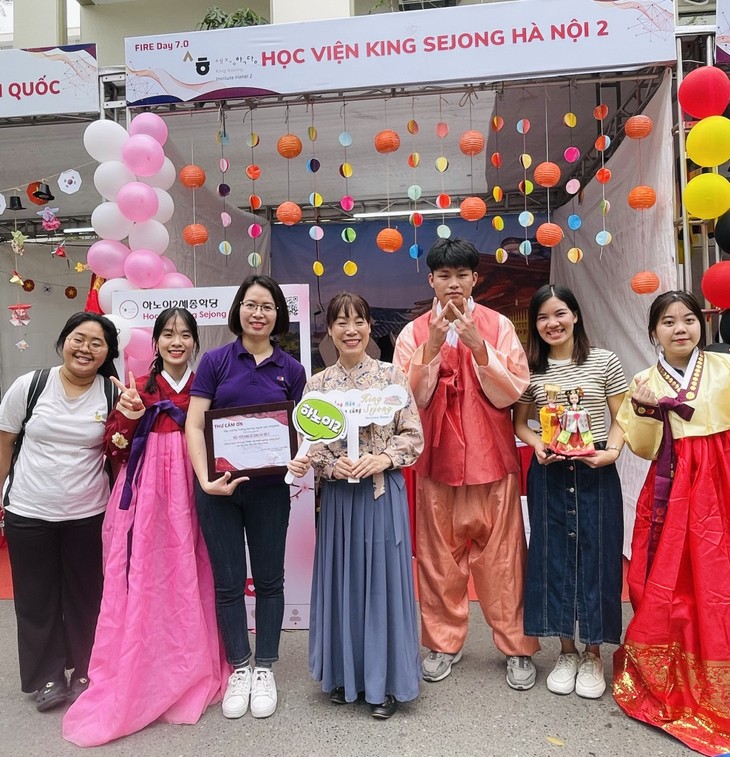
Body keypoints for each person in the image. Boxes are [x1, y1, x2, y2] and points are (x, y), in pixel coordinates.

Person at [63, 308, 224, 746]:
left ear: (195, 342)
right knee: (145, 575)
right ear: (155, 342)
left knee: (192, 569)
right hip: (146, 494)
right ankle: (143, 658)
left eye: (185, 335)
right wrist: (130, 416)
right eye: (168, 334)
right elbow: (114, 446)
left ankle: (190, 661)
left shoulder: (206, 386)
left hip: (191, 485)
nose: (177, 342)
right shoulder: (137, 388)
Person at [393, 238, 540, 690]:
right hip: (436, 461)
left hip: (491, 458)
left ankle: (516, 647)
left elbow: (514, 389)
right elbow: (404, 399)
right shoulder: (413, 332)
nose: (453, 284)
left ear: (475, 279)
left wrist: (479, 348)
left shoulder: (498, 326)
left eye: (461, 275)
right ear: (431, 280)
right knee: (438, 561)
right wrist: (432, 347)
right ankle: (443, 643)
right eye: (444, 276)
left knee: (504, 560)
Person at [288, 293, 423, 719]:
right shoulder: (318, 385)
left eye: (359, 321)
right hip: (340, 500)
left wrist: (382, 459)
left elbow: (413, 436)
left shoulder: (391, 376)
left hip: (380, 494)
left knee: (382, 584)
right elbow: (310, 444)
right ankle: (345, 675)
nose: (351, 330)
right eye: (341, 322)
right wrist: (329, 464)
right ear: (329, 331)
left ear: (369, 327)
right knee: (343, 582)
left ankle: (386, 683)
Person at [613, 290, 730, 756]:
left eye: (688, 319)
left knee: (719, 575)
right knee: (672, 580)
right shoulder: (644, 381)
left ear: (702, 324)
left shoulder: (725, 368)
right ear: (653, 333)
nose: (680, 329)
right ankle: (679, 667)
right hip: (673, 487)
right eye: (668, 322)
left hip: (722, 481)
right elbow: (643, 447)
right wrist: (644, 411)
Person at [185, 275, 306, 720]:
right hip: (219, 490)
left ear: (278, 315)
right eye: (252, 304)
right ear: (238, 309)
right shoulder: (215, 361)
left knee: (270, 581)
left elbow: (303, 429)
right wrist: (205, 479)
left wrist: (300, 457)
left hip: (270, 492)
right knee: (229, 582)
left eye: (268, 307)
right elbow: (195, 424)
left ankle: (265, 667)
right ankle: (239, 666)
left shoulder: (292, 369)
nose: (259, 313)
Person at [0, 312, 119, 711]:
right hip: (29, 510)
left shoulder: (112, 394)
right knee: (36, 599)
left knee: (88, 596)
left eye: (96, 343)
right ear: (64, 341)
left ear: (107, 353)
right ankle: (47, 677)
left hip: (88, 513)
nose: (85, 348)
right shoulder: (31, 385)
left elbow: (118, 453)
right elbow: (4, 443)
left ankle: (87, 670)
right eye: (78, 339)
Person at [513, 284, 626, 699]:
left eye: (559, 313)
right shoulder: (531, 370)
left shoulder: (604, 361)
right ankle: (566, 651)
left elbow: (622, 416)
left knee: (598, 554)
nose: (552, 323)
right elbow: (520, 423)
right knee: (552, 556)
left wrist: (612, 451)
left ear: (575, 315)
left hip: (595, 468)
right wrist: (537, 444)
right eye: (543, 317)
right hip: (551, 472)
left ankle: (593, 653)